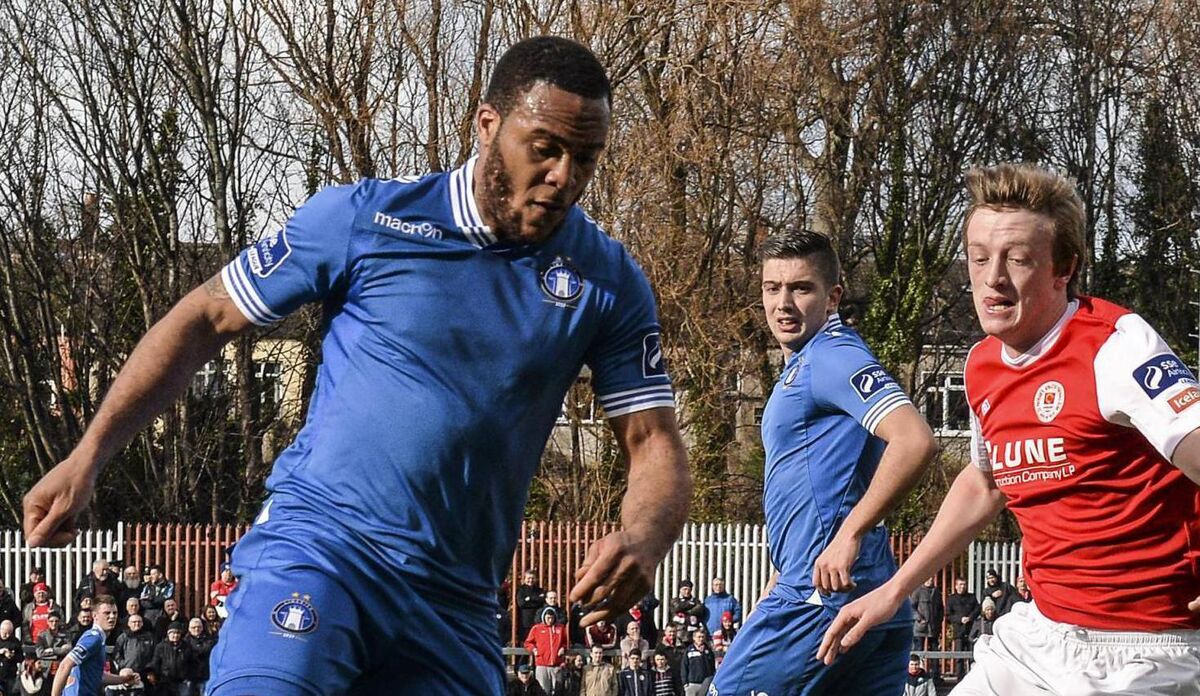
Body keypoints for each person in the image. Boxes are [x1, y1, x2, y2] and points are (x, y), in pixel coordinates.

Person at [21, 35, 691, 695]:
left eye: (586, 158)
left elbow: (653, 440)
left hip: (455, 604)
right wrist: (89, 456)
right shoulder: (368, 218)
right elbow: (205, 317)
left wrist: (644, 537)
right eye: (545, 149)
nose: (564, 177)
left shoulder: (605, 280)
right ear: (487, 124)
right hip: (325, 550)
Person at [818, 163, 1200, 694]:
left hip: (1145, 649)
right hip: (1039, 635)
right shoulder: (982, 365)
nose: (992, 278)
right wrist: (896, 589)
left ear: (1062, 268)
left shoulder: (1116, 346)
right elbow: (985, 482)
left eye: (1017, 259)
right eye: (978, 258)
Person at [712, 229, 937, 695]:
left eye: (801, 288)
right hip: (868, 600)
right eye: (772, 288)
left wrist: (848, 534)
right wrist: (780, 573)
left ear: (832, 296)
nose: (783, 304)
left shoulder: (832, 356)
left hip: (819, 601)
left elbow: (914, 440)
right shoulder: (806, 363)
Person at [50, 596, 139, 696]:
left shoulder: (99, 638)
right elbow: (64, 665)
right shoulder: (93, 638)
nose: (112, 616)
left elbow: (98, 676)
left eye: (115, 613)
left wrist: (124, 679)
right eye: (107, 613)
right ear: (95, 615)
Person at [525, 606, 568, 694]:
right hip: (542, 664)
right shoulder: (536, 628)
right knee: (543, 691)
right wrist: (534, 650)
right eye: (548, 618)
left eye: (552, 618)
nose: (550, 620)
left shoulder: (560, 628)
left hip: (557, 664)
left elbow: (566, 642)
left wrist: (563, 648)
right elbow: (528, 643)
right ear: (544, 617)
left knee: (557, 691)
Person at [945, 577, 979, 676]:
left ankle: (972, 676)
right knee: (959, 657)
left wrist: (970, 618)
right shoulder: (951, 599)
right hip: (958, 631)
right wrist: (960, 619)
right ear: (956, 586)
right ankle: (959, 678)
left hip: (971, 631)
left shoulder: (971, 597)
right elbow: (948, 615)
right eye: (960, 584)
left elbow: (977, 609)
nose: (962, 587)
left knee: (972, 656)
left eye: (964, 584)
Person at [148, 623, 193, 696]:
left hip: (182, 681)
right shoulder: (161, 646)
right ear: (168, 634)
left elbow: (192, 662)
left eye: (178, 633)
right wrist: (155, 676)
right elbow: (155, 663)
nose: (175, 635)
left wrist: (189, 676)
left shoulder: (186, 646)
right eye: (173, 633)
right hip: (165, 682)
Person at [113, 614, 156, 683]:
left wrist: (150, 669)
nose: (137, 624)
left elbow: (155, 654)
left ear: (142, 623)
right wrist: (124, 665)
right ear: (129, 624)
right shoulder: (123, 637)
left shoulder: (149, 637)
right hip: (128, 672)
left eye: (139, 622)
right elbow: (116, 653)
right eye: (134, 622)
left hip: (145, 672)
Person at [910, 576, 943, 653]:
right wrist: (919, 618)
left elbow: (941, 608)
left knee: (934, 651)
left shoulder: (936, 592)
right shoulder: (917, 591)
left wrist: (939, 621)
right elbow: (911, 607)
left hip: (933, 627)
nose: (930, 580)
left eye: (932, 578)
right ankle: (918, 665)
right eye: (928, 578)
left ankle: (934, 665)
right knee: (918, 650)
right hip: (920, 627)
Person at [678, 627, 714, 696]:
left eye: (702, 637)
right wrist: (685, 683)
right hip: (692, 684)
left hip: (705, 683)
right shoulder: (688, 651)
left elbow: (712, 666)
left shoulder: (708, 651)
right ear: (694, 638)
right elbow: (684, 666)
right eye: (699, 637)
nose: (701, 639)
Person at [185, 618, 215, 696]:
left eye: (199, 627)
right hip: (190, 676)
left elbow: (207, 649)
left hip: (205, 675)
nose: (196, 629)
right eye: (193, 627)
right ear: (189, 628)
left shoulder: (208, 639)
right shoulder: (184, 641)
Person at [516, 571, 547, 646]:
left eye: (532, 578)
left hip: (538, 621)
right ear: (524, 579)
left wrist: (529, 599)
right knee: (524, 645)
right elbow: (521, 603)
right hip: (525, 623)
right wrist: (535, 599)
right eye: (528, 578)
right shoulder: (521, 590)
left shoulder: (540, 590)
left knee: (538, 645)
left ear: (536, 579)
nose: (530, 580)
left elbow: (542, 601)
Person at [0, 620, 19, 696]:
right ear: (1, 630)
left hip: (10, 675)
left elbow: (21, 657)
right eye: (5, 633)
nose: (7, 635)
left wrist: (12, 656)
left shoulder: (15, 641)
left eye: (9, 633)